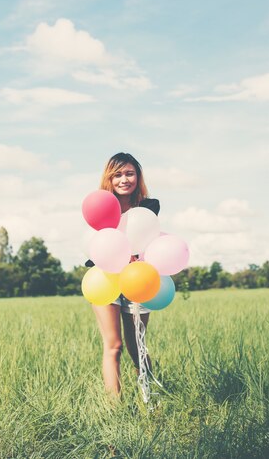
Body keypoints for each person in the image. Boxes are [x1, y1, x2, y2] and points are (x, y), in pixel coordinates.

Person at [86, 152, 160, 396]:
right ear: (109, 178)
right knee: (113, 346)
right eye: (117, 175)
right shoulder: (103, 206)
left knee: (137, 347)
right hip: (105, 279)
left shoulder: (149, 206)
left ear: (138, 177)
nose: (124, 179)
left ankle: (153, 399)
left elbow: (150, 240)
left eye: (129, 173)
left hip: (137, 278)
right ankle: (114, 409)